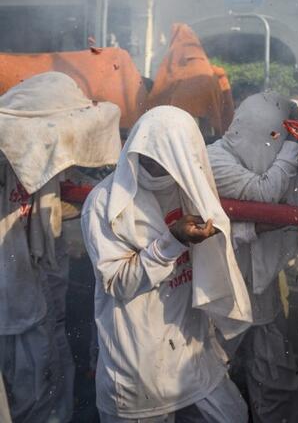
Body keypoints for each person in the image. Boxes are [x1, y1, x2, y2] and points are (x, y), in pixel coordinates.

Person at [81, 105, 251, 422]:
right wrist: (171, 241)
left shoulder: (189, 187)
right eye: (148, 153)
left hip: (190, 347)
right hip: (138, 361)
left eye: (165, 154)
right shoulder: (105, 202)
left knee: (233, 415)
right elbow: (117, 282)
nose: (154, 162)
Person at [0, 72, 121, 422]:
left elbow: (64, 175)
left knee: (48, 369)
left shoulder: (36, 151)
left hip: (38, 284)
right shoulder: (12, 144)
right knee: (32, 383)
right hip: (15, 295)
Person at [207, 90, 298, 423]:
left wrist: (296, 162)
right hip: (219, 291)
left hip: (259, 286)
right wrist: (292, 147)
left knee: (275, 378)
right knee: (208, 378)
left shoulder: (280, 162)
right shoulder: (213, 159)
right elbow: (265, 194)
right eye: (278, 142)